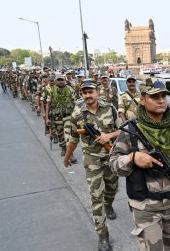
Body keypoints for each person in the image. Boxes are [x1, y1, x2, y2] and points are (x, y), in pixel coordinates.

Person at [109, 77, 170, 251]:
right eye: (154, 97)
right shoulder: (132, 130)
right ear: (142, 99)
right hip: (145, 206)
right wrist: (133, 158)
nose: (161, 100)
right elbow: (113, 164)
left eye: (163, 95)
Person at [64, 79, 120, 251]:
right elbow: (74, 138)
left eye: (90, 92)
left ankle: (109, 204)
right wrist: (67, 156)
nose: (88, 95)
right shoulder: (77, 114)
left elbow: (122, 130)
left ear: (97, 92)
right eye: (84, 92)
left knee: (112, 188)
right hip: (92, 159)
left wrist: (108, 136)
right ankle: (103, 236)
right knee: (96, 197)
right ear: (81, 94)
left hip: (110, 156)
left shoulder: (110, 108)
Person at [46, 74, 76, 159]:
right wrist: (47, 118)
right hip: (57, 117)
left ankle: (70, 154)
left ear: (65, 81)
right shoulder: (52, 91)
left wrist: (76, 116)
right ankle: (63, 148)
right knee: (60, 135)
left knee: (68, 135)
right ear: (56, 81)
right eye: (58, 80)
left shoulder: (70, 90)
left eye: (62, 80)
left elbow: (75, 103)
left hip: (68, 116)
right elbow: (48, 104)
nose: (60, 82)